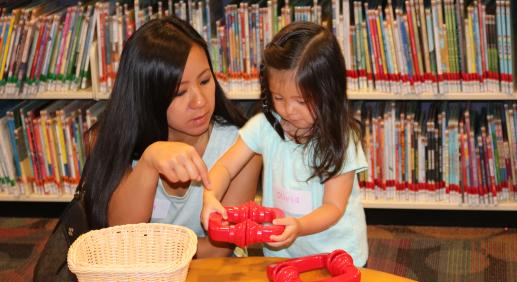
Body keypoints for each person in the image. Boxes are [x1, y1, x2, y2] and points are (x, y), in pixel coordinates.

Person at [82, 16, 261, 258]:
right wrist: (149, 162)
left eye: (205, 80)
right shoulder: (114, 140)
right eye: (179, 92)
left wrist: (155, 251)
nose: (200, 101)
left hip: (212, 280)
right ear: (147, 95)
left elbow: (219, 248)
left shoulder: (243, 147)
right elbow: (121, 232)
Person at [202, 22, 368, 266]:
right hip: (283, 254)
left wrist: (299, 226)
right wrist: (210, 197)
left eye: (302, 100)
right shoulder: (265, 127)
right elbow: (225, 167)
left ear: (328, 93)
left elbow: (333, 206)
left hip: (337, 255)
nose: (289, 110)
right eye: (278, 98)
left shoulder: (341, 137)